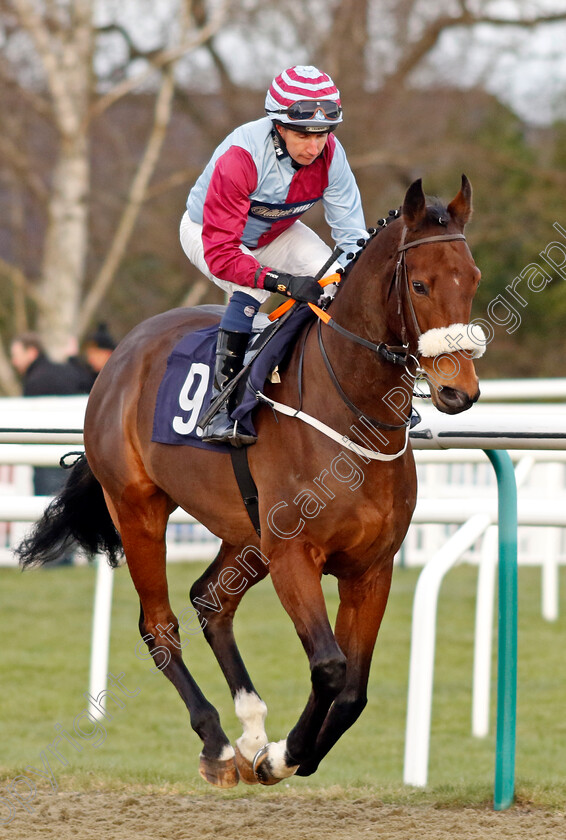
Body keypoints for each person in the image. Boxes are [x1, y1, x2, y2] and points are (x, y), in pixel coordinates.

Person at [180, 65, 368, 446]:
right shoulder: (240, 157)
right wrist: (281, 281)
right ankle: (220, 409)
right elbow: (223, 254)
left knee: (337, 281)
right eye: (303, 134)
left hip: (277, 232)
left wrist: (356, 276)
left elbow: (352, 237)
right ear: (278, 126)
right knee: (251, 292)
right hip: (211, 235)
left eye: (323, 134)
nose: (314, 147)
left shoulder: (332, 155)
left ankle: (359, 387)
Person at [10, 332, 92, 564]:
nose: (14, 361)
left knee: (49, 506)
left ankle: (55, 559)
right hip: (77, 451)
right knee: (73, 503)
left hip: (49, 454)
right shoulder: (67, 370)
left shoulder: (36, 380)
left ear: (31, 352)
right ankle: (70, 556)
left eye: (16, 355)